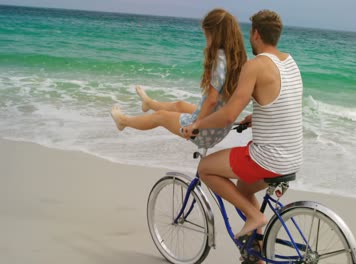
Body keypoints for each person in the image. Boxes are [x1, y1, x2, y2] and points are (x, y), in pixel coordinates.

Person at [183, 10, 303, 238]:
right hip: (293, 158)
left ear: (255, 34)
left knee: (205, 168)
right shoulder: (290, 62)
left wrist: (198, 124)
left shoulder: (255, 65)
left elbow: (228, 115)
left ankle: (255, 216)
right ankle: (255, 253)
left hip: (268, 159)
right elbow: (286, 106)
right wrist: (255, 118)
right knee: (243, 189)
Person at [111, 8, 247, 149]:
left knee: (161, 116)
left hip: (203, 131)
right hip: (219, 128)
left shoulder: (220, 59)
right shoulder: (238, 59)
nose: (206, 40)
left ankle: (123, 121)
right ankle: (149, 103)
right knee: (180, 105)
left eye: (207, 36)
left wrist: (195, 125)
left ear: (215, 35)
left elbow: (212, 99)